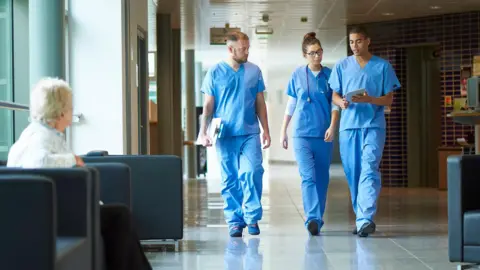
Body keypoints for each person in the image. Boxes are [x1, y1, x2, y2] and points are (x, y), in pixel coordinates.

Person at [7, 78, 152, 270]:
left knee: (117, 216)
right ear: (59, 111)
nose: (72, 111)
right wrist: (72, 160)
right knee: (119, 216)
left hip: (50, 209)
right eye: (70, 106)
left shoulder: (43, 134)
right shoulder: (40, 138)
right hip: (48, 214)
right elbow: (38, 163)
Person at [328, 26, 401, 237]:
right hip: (349, 127)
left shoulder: (382, 67)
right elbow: (334, 95)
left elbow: (388, 99)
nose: (355, 46)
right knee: (353, 174)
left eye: (359, 41)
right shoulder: (342, 66)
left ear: (368, 41)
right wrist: (340, 101)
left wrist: (370, 99)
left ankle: (365, 218)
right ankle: (361, 216)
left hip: (373, 125)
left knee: (369, 168)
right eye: (351, 42)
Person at [198, 31, 271, 237]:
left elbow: (260, 103)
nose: (247, 52)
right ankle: (235, 220)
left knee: (252, 171)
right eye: (243, 48)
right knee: (230, 178)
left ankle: (252, 216)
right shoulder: (215, 72)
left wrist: (266, 130)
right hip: (225, 134)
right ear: (231, 49)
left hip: (249, 132)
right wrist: (203, 132)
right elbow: (209, 105)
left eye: (248, 48)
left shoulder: (254, 71)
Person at [280, 32, 339, 236]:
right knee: (308, 177)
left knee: (322, 178)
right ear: (305, 54)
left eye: (319, 52)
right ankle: (312, 218)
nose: (317, 56)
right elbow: (291, 104)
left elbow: (335, 104)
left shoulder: (330, 75)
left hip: (323, 135)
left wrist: (332, 126)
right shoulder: (297, 75)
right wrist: (283, 131)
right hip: (302, 135)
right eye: (312, 53)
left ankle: (318, 217)